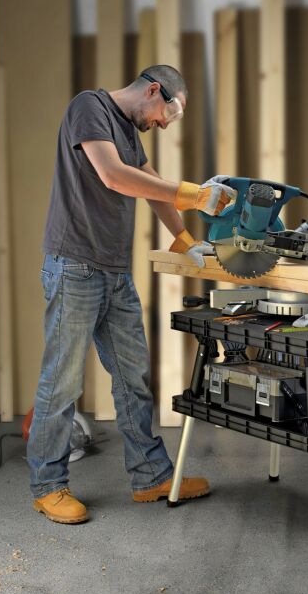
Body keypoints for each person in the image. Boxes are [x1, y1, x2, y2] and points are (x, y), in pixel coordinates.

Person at [28, 65, 234, 525]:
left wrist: (183, 238)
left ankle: (150, 476)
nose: (163, 124)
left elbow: (153, 187)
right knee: (62, 382)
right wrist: (193, 196)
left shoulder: (127, 129)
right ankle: (47, 486)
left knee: (133, 377)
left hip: (114, 271)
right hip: (75, 266)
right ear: (154, 91)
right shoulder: (89, 107)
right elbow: (114, 176)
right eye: (166, 115)